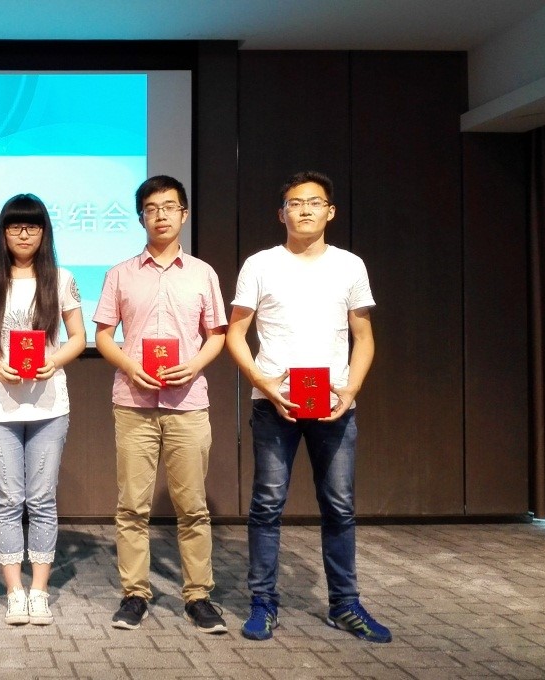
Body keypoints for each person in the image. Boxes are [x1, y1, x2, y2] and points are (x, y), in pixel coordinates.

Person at [226, 170, 390, 643]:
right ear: (281, 214)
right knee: (267, 504)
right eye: (295, 203)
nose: (304, 210)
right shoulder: (260, 264)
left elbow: (363, 337)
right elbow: (236, 332)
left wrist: (351, 389)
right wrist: (260, 380)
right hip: (273, 403)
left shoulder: (350, 266)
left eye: (314, 202)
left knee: (339, 506)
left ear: (330, 212)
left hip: (334, 405)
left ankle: (345, 604)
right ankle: (263, 603)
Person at [91, 175, 229, 633]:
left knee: (193, 507)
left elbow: (217, 335)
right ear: (141, 218)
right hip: (134, 402)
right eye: (151, 209)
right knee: (132, 506)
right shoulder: (120, 274)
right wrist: (130, 366)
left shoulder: (203, 273)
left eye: (169, 207)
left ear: (184, 214)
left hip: (188, 402)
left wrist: (194, 365)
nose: (161, 215)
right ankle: (135, 594)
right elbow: (103, 336)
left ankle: (198, 597)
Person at [0, 194, 85, 626]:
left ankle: (39, 591)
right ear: (3, 232)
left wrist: (55, 360)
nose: (23, 234)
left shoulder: (61, 279)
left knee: (42, 499)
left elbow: (78, 336)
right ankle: (14, 591)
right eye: (15, 226)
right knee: (8, 499)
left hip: (49, 404)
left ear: (43, 232)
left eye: (32, 226)